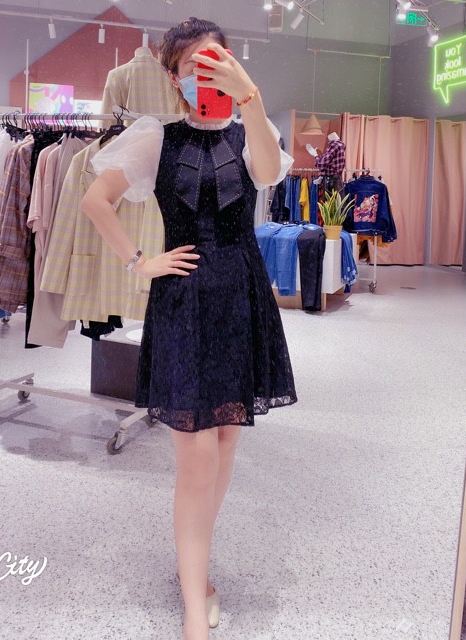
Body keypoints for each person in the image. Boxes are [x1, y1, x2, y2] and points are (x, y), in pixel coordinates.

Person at [81, 17, 297, 640]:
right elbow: (96, 201)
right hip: (184, 302)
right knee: (196, 458)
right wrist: (139, 262)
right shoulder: (156, 136)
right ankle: (193, 611)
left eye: (216, 61)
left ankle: (195, 572)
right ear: (174, 77)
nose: (207, 73)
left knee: (225, 442)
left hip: (241, 299)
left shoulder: (251, 130)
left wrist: (248, 96)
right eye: (194, 66)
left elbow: (267, 173)